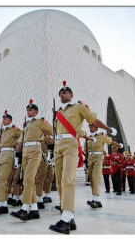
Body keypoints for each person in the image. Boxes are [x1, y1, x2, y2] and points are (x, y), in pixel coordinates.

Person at [49, 81, 117, 234]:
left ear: (71, 95)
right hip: (58, 145)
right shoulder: (59, 112)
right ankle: (68, 216)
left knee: (68, 178)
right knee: (59, 180)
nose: (62, 95)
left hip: (70, 145)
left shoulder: (79, 108)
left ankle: (66, 218)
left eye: (65, 93)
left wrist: (108, 128)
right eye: (60, 93)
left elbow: (93, 120)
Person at [10, 99, 53, 221]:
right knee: (29, 181)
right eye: (27, 110)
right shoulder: (26, 125)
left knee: (28, 179)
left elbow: (52, 131)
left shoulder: (40, 122)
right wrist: (18, 156)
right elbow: (21, 140)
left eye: (31, 110)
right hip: (25, 151)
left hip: (35, 150)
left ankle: (24, 209)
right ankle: (34, 210)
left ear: (36, 111)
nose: (28, 111)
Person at [0, 110, 21, 215]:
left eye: (5, 119)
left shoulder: (14, 130)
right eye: (3, 119)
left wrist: (16, 147)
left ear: (10, 120)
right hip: (2, 155)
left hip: (8, 154)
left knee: (2, 180)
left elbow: (22, 135)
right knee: (2, 181)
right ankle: (3, 205)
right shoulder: (3, 131)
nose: (3, 120)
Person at [83, 123, 121, 208]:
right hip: (90, 159)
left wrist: (119, 145)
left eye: (92, 127)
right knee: (92, 180)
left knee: (95, 177)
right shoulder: (88, 138)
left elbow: (111, 141)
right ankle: (97, 199)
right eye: (90, 127)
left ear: (96, 128)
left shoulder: (102, 136)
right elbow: (85, 150)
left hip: (98, 158)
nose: (90, 128)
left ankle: (95, 199)